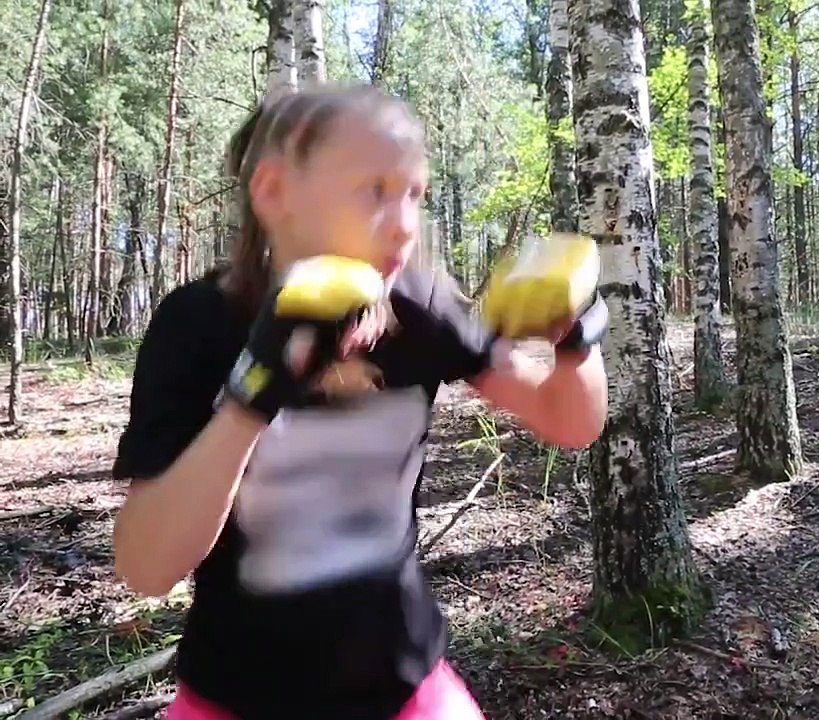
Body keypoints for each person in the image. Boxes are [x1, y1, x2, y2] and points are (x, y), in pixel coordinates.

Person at [109, 83, 609, 720]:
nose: (405, 224)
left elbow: (571, 422)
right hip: (237, 698)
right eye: (374, 191)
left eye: (415, 194)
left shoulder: (419, 308)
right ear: (273, 193)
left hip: (405, 686)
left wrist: (575, 333)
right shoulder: (199, 324)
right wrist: (253, 393)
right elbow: (147, 566)